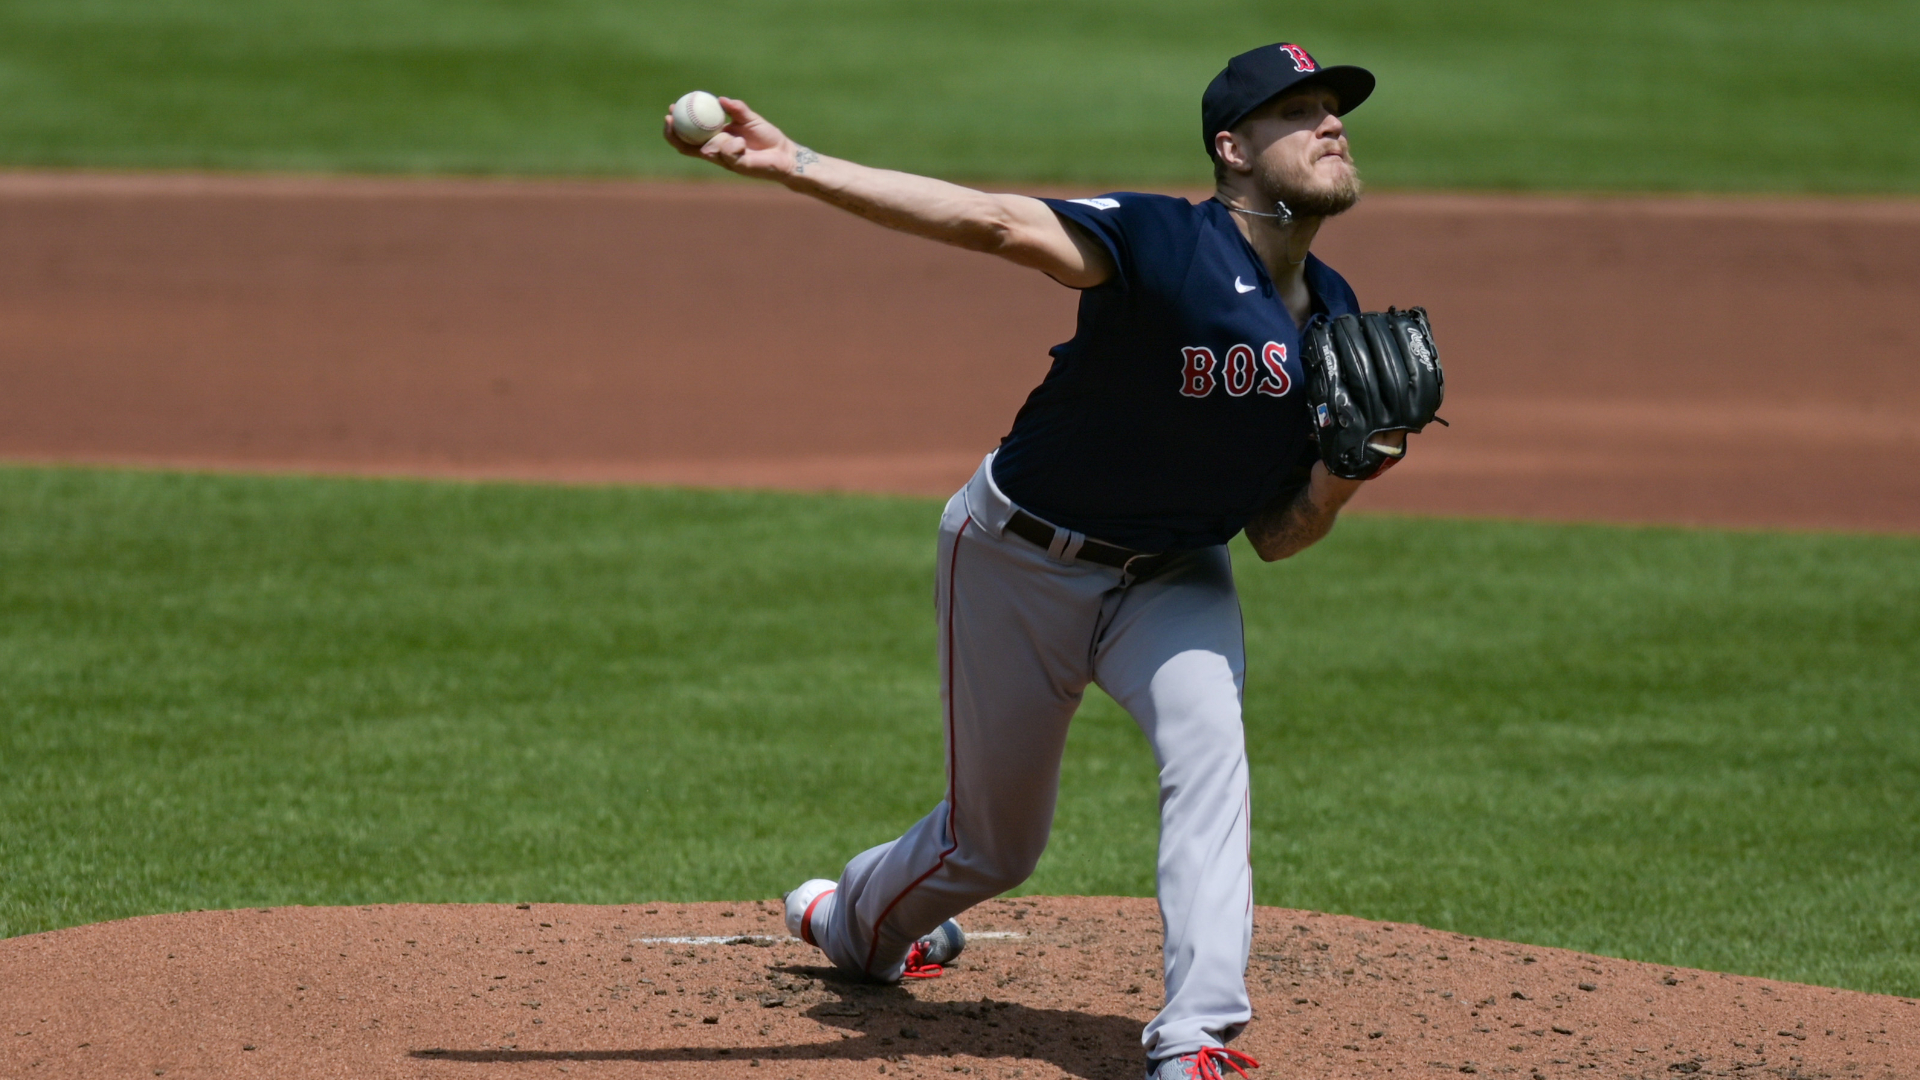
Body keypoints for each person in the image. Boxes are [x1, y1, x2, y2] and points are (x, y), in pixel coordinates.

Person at [666, 42, 1405, 1080]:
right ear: (1233, 148)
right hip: (1018, 556)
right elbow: (999, 222)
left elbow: (1279, 535)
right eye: (1301, 112)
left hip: (1175, 575)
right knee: (995, 847)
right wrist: (802, 165)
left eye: (1337, 110)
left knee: (1211, 762)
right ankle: (854, 924)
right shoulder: (1161, 240)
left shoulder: (1332, 315)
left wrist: (1351, 473)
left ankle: (1196, 1039)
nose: (1332, 126)